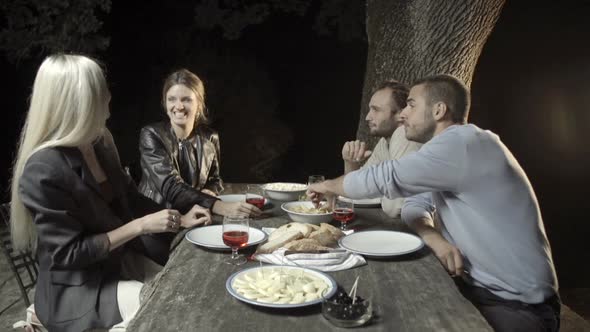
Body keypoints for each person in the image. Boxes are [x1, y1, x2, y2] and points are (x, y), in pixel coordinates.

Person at [309, 74, 560, 331]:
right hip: (476, 289)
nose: (403, 114)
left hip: (518, 307)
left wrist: (325, 185)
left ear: (439, 110)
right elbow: (414, 205)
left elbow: (384, 178)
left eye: (411, 105)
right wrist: (432, 236)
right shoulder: (444, 153)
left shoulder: (463, 144)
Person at [10, 54, 212, 332]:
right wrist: (139, 226)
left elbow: (130, 197)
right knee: (162, 311)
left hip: (115, 264)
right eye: (100, 91)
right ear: (79, 103)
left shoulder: (100, 140)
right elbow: (69, 254)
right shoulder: (43, 169)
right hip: (76, 290)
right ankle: (40, 318)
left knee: (185, 290)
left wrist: (182, 218)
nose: (108, 97)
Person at [138, 69, 261, 217]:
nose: (178, 106)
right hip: (157, 222)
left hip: (196, 214)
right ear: (165, 103)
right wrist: (217, 205)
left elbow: (215, 179)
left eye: (186, 99)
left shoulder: (210, 137)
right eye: (171, 99)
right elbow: (171, 186)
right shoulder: (151, 134)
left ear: (199, 104)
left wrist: (210, 191)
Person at [341, 81, 421, 217]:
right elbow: (357, 191)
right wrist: (351, 162)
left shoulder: (405, 136)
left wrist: (378, 188)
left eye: (376, 110)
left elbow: (394, 208)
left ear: (401, 114)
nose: (368, 117)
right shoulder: (385, 142)